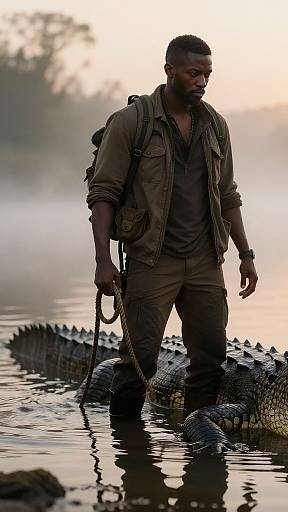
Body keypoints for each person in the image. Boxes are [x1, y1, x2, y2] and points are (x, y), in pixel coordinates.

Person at [86, 35, 258, 418]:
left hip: (206, 261)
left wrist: (246, 254)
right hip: (152, 259)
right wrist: (102, 260)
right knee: (139, 361)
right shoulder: (132, 122)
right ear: (170, 71)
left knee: (211, 358)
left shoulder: (216, 125)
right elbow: (103, 194)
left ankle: (198, 446)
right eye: (194, 73)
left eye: (207, 74)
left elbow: (228, 194)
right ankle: (128, 449)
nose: (202, 81)